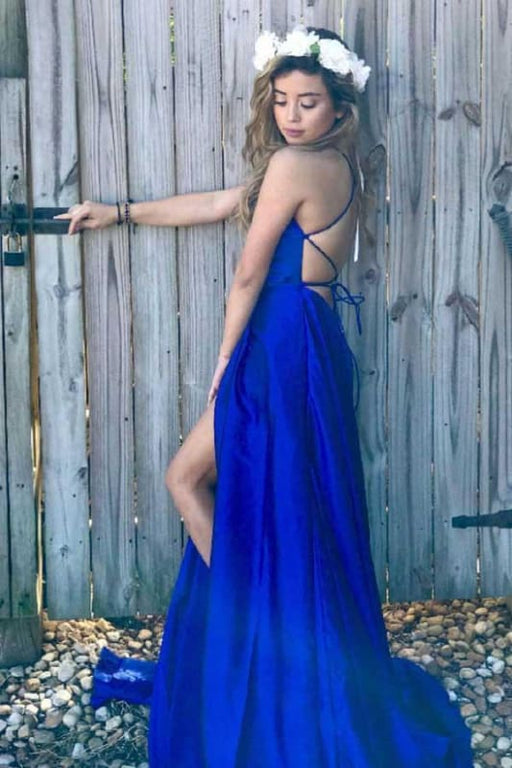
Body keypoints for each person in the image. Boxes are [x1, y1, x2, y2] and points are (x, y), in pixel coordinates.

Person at [55, 25, 473, 768]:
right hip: (307, 341)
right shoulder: (332, 165)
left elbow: (249, 273)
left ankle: (258, 633)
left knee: (189, 479)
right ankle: (268, 632)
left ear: (339, 106)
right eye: (281, 100)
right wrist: (117, 211)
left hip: (277, 345)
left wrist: (224, 361)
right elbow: (220, 202)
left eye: (308, 102)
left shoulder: (296, 163)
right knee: (281, 501)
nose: (291, 115)